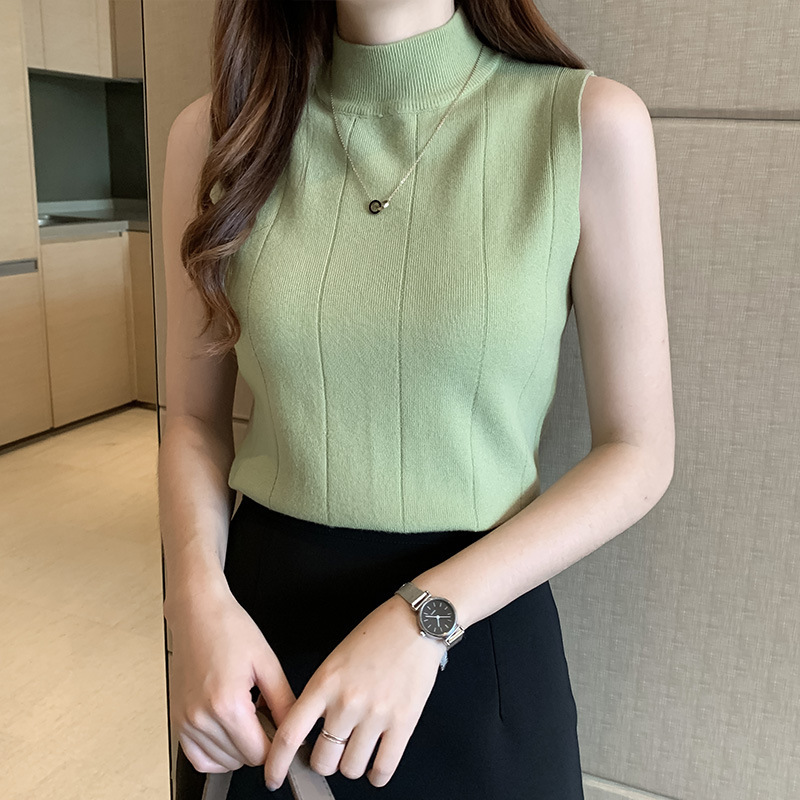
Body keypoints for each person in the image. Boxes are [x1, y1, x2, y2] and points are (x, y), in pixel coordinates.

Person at [158, 1, 675, 798]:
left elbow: (637, 453)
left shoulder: (587, 125)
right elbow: (194, 421)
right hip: (257, 654)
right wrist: (194, 601)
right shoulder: (218, 134)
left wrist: (425, 619)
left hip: (477, 638)